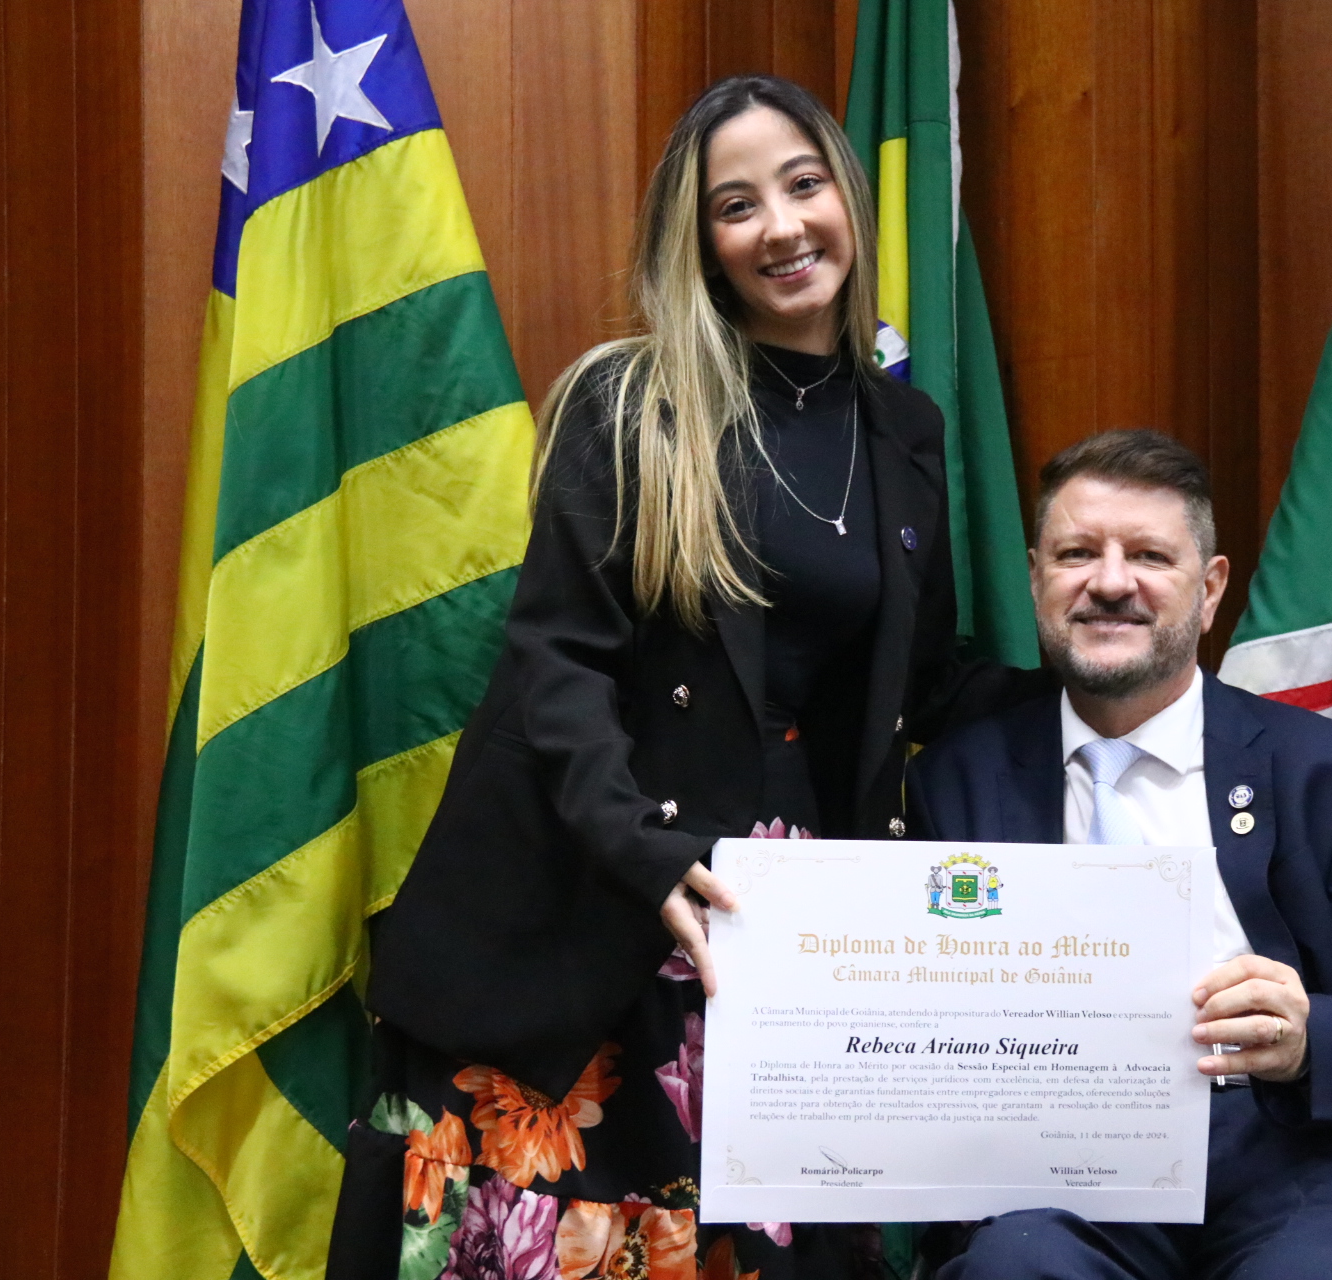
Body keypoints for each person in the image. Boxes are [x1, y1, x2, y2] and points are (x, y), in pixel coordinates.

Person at [329, 75, 1045, 1280]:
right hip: (598, 893)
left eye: (804, 185)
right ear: (700, 242)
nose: (783, 226)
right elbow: (556, 662)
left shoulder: (906, 429)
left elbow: (916, 688)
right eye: (737, 205)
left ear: (849, 199)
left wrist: (1099, 690)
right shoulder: (628, 402)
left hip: (784, 924)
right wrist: (646, 854)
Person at [905, 430, 1332, 1280]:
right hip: (1060, 1167)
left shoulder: (1331, 772)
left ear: (1210, 589)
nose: (1112, 582)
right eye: (1077, 554)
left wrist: (1308, 1037)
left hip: (1308, 1155)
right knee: (1013, 1268)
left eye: (1149, 555)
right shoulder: (958, 779)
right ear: (1035, 578)